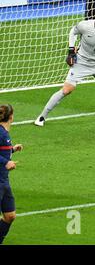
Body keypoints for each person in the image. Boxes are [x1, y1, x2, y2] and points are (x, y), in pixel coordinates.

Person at [34, 4, 95, 126]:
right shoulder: (85, 26)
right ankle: (42, 117)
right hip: (82, 62)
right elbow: (73, 31)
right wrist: (71, 50)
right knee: (67, 90)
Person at [0, 104, 23, 244]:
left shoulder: (4, 133)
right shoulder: (0, 133)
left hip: (4, 181)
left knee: (10, 215)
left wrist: (12, 150)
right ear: (11, 117)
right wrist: (5, 162)